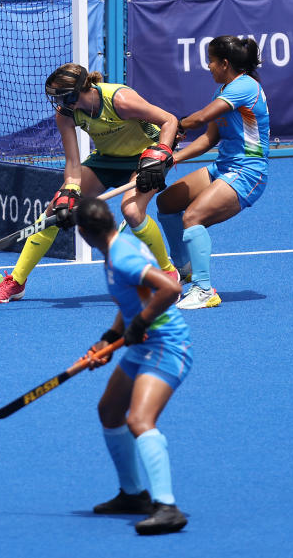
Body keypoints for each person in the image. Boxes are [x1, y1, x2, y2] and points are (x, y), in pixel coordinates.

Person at [0, 63, 182, 303]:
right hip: (107, 160)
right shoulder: (66, 114)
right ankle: (16, 282)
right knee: (54, 210)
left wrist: (161, 154)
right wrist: (70, 190)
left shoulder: (120, 100)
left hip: (144, 158)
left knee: (131, 210)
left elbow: (169, 120)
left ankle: (167, 271)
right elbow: (73, 164)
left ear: (76, 92)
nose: (57, 103)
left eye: (61, 97)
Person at [75, 196, 190, 535]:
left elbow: (171, 287)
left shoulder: (122, 256)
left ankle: (167, 507)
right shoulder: (118, 245)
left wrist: (139, 322)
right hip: (143, 345)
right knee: (110, 411)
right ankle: (132, 495)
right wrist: (109, 337)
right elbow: (135, 298)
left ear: (82, 233)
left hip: (167, 346)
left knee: (140, 420)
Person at [156, 36, 270, 309]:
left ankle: (204, 290)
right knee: (167, 202)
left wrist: (173, 124)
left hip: (248, 172)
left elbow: (199, 119)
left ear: (225, 63)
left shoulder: (244, 87)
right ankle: (185, 267)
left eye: (211, 61)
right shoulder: (224, 90)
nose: (208, 66)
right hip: (224, 167)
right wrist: (171, 159)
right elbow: (208, 139)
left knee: (193, 216)